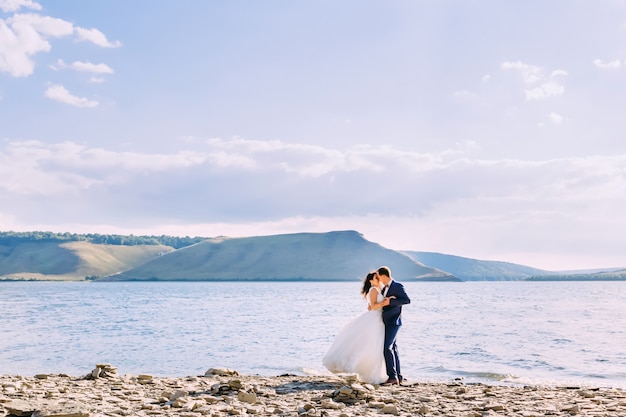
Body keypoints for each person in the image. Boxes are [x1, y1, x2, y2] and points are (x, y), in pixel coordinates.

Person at [322, 272, 390, 384]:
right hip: (374, 319)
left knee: (374, 346)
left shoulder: (378, 290)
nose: (378, 279)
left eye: (378, 278)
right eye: (376, 278)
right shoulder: (373, 290)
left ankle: (374, 372)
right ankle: (366, 371)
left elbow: (370, 307)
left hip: (377, 318)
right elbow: (373, 306)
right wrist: (385, 303)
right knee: (371, 345)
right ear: (371, 281)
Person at [376, 266, 411, 385]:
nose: (378, 279)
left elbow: (406, 300)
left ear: (383, 275)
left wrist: (390, 301)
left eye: (379, 276)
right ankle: (398, 376)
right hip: (386, 321)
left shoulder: (397, 286)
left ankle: (392, 377)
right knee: (393, 348)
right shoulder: (384, 288)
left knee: (387, 347)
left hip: (394, 321)